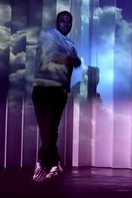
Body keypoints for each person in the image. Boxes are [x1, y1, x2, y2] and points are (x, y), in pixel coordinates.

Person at [32, 11, 81, 182]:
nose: (66, 24)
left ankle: (42, 162)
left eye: (69, 22)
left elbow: (68, 70)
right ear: (57, 22)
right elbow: (50, 56)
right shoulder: (48, 35)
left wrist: (66, 88)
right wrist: (71, 60)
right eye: (63, 21)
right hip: (43, 88)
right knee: (46, 127)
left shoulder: (71, 44)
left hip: (59, 91)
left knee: (51, 128)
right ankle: (53, 162)